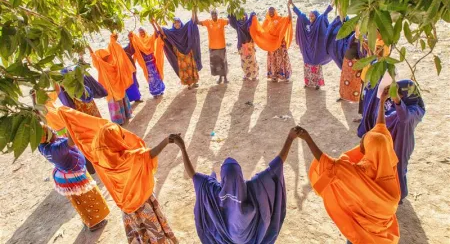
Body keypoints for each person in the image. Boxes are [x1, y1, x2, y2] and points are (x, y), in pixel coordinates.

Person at [58, 106, 178, 243]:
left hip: (127, 207)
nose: (123, 138)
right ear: (115, 141)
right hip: (143, 201)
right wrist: (167, 141)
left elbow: (83, 139)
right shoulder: (126, 159)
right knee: (154, 229)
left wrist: (69, 119)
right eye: (120, 136)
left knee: (140, 232)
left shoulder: (99, 157)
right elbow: (148, 155)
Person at [171, 127, 306, 243]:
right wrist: (290, 138)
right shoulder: (253, 188)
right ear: (240, 176)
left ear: (222, 179)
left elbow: (192, 174)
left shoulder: (214, 191)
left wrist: (182, 148)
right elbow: (276, 166)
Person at [305, 87, 401, 244]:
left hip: (360, 230)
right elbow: (381, 131)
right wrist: (382, 103)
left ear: (370, 149)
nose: (362, 140)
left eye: (364, 140)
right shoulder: (388, 164)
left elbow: (331, 165)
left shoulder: (361, 171)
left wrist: (306, 138)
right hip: (382, 236)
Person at [358, 79, 425, 202]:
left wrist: (397, 101)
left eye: (399, 93)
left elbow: (405, 118)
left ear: (405, 95)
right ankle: (387, 193)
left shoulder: (415, 110)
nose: (395, 96)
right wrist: (383, 101)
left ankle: (398, 195)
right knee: (385, 167)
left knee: (398, 170)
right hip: (389, 142)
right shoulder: (393, 106)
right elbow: (381, 121)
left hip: (402, 144)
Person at [38, 125, 110, 232]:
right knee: (89, 198)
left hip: (65, 176)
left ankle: (88, 220)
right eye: (52, 132)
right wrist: (69, 124)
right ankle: (94, 223)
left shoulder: (42, 146)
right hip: (74, 178)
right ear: (48, 137)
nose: (54, 131)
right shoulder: (56, 149)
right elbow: (71, 141)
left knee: (80, 201)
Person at [290, 0, 332, 89]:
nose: (311, 18)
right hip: (307, 49)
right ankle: (308, 83)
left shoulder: (318, 22)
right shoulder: (307, 23)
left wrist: (333, 3)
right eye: (310, 16)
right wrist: (292, 4)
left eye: (312, 16)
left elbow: (325, 13)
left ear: (316, 16)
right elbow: (300, 14)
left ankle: (317, 84)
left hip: (316, 49)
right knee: (307, 65)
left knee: (316, 65)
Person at [88, 46, 133, 125]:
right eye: (105, 57)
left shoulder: (112, 63)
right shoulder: (101, 65)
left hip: (118, 86)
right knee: (115, 102)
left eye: (107, 56)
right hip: (110, 89)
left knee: (122, 100)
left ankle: (126, 115)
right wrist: (90, 50)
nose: (107, 58)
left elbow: (117, 57)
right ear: (101, 57)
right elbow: (95, 59)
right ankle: (119, 120)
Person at [156, 14, 202, 89]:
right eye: (175, 23)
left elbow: (192, 21)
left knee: (191, 67)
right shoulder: (171, 32)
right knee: (184, 69)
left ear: (181, 22)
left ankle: (194, 82)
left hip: (188, 52)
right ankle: (189, 84)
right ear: (173, 24)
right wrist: (155, 22)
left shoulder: (185, 28)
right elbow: (162, 31)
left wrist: (194, 8)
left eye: (178, 22)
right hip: (180, 54)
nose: (177, 24)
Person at [249, 3, 293, 82]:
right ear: (268, 12)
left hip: (280, 44)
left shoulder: (280, 19)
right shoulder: (266, 21)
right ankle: (274, 76)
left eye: (272, 11)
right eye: (270, 11)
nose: (271, 12)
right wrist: (253, 20)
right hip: (271, 45)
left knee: (282, 58)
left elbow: (289, 18)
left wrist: (288, 7)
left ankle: (285, 76)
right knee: (273, 60)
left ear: (275, 11)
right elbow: (261, 31)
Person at [129, 24, 166, 98]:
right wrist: (130, 36)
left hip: (153, 62)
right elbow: (133, 45)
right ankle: (154, 93)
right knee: (151, 78)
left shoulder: (149, 38)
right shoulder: (138, 41)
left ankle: (160, 90)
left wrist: (153, 24)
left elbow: (156, 34)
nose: (142, 33)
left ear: (145, 31)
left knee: (157, 75)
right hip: (146, 64)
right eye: (140, 32)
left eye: (142, 31)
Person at [195, 8, 229, 84]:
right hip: (212, 47)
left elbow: (230, 21)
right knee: (216, 63)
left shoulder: (221, 21)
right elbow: (197, 22)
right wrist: (195, 10)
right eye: (212, 14)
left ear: (217, 14)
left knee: (223, 61)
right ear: (211, 15)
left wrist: (231, 12)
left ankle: (225, 77)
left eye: (215, 14)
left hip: (221, 45)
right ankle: (220, 77)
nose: (214, 15)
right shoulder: (208, 22)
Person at [228, 12, 259, 81]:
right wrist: (231, 10)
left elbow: (254, 24)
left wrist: (253, 15)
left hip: (249, 45)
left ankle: (254, 75)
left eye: (244, 15)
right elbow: (231, 21)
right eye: (241, 15)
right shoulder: (237, 24)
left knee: (252, 60)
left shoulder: (249, 23)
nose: (243, 17)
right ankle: (247, 75)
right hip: (242, 45)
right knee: (244, 61)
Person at [122, 35, 143, 102]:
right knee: (128, 86)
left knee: (133, 84)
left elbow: (131, 47)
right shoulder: (116, 55)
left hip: (130, 71)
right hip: (124, 73)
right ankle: (131, 99)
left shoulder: (125, 50)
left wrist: (130, 39)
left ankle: (137, 98)